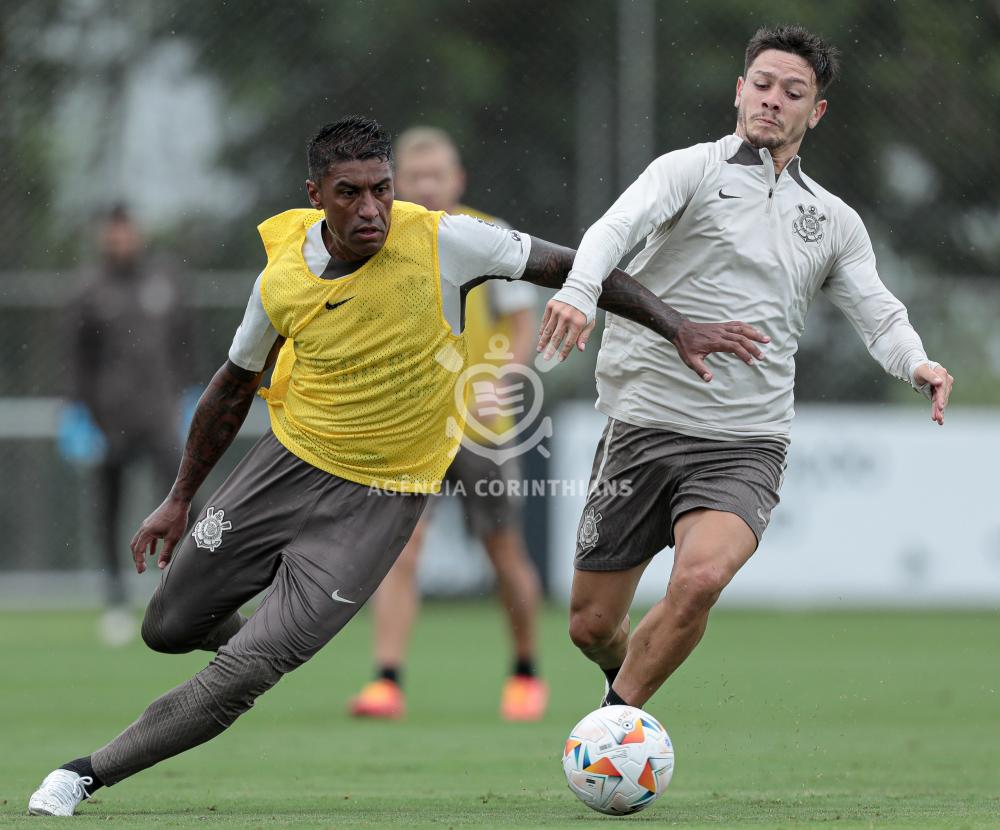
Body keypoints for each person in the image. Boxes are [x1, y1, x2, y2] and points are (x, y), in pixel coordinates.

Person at [27, 115, 767, 816]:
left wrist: (677, 327)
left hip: (383, 499)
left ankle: (83, 774)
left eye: (383, 188)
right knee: (167, 627)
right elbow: (231, 386)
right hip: (282, 469)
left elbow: (574, 266)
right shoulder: (281, 279)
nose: (373, 207)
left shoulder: (448, 241)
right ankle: (266, 637)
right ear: (315, 196)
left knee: (247, 673)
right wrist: (179, 496)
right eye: (350, 193)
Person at [536, 25, 955, 712]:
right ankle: (624, 672)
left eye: (793, 92)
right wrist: (580, 291)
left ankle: (617, 726)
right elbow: (614, 228)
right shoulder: (688, 171)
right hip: (642, 424)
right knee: (590, 625)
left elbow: (877, 311)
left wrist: (917, 362)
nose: (772, 100)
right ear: (740, 91)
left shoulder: (833, 220)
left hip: (745, 439)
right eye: (762, 84)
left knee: (700, 579)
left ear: (814, 112)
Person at [347, 126, 546, 722]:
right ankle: (387, 680)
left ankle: (526, 672)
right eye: (416, 177)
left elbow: (520, 327)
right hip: (411, 428)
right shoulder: (378, 243)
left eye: (439, 176)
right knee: (401, 551)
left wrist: (500, 380)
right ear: (396, 185)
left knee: (502, 550)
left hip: (481, 428)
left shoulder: (489, 237)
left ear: (457, 181)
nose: (428, 187)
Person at [63, 205, 189, 646]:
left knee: (183, 501)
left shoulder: (165, 280)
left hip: (161, 417)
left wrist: (192, 398)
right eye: (112, 233)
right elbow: (76, 358)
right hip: (108, 419)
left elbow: (185, 344)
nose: (120, 240)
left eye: (126, 231)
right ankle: (115, 600)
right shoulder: (89, 288)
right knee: (108, 510)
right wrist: (77, 412)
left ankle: (183, 593)